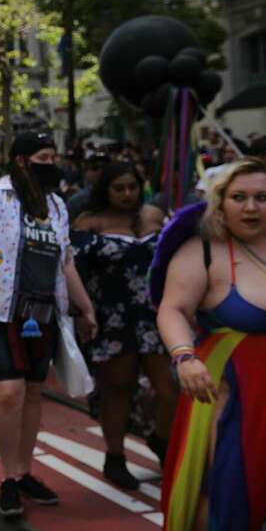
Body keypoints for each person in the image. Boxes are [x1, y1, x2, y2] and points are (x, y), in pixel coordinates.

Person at [156, 158, 266, 531]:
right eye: (239, 198)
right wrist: (184, 357)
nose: (251, 207)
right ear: (220, 202)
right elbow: (173, 310)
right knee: (228, 494)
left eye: (263, 197)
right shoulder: (203, 250)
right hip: (237, 395)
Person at [0, 132, 98, 519]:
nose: (51, 163)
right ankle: (8, 478)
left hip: (43, 315)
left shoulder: (56, 206)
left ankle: (24, 472)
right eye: (44, 156)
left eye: (54, 156)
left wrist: (85, 308)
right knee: (7, 392)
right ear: (21, 160)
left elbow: (66, 262)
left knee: (33, 393)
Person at [72, 162, 175, 488]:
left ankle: (162, 440)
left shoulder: (155, 215)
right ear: (106, 190)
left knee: (170, 388)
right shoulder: (89, 222)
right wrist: (81, 314)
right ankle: (114, 457)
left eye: (132, 186)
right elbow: (71, 271)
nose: (127, 194)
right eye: (119, 188)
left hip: (156, 314)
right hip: (110, 316)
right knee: (118, 388)